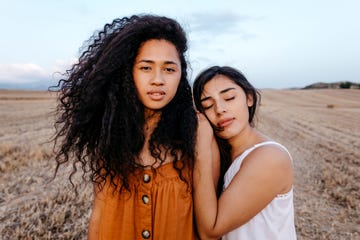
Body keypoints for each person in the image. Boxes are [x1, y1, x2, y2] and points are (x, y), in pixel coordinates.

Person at [52, 14, 198, 239]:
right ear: (127, 73)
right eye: (146, 68)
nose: (158, 79)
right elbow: (99, 214)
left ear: (181, 75)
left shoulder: (196, 134)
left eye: (169, 69)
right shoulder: (110, 133)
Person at [192, 66, 297, 240]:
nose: (220, 109)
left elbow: (210, 230)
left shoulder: (269, 158)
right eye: (208, 105)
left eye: (229, 97)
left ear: (249, 98)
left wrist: (201, 150)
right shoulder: (224, 156)